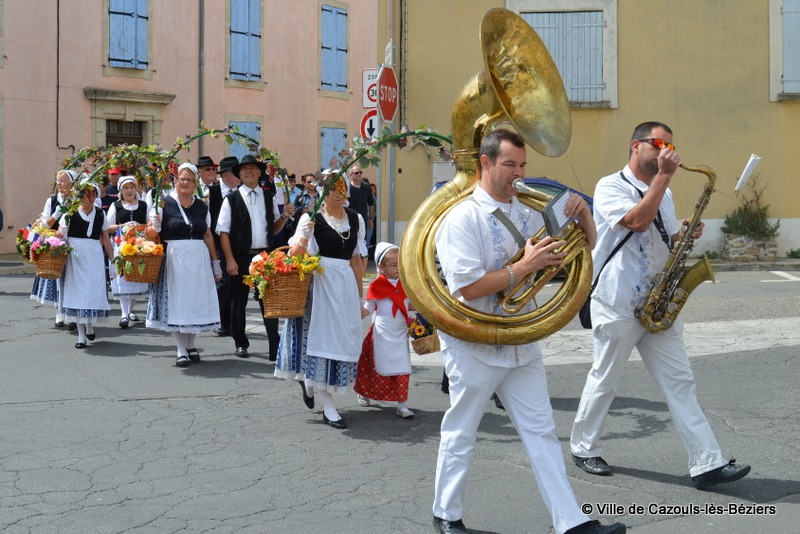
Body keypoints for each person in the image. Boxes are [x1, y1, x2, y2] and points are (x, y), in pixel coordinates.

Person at [432, 129, 624, 534]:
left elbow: (585, 246)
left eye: (522, 165)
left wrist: (584, 214)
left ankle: (570, 521)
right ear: (485, 163)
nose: (518, 174)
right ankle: (447, 515)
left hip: (520, 339)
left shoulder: (528, 210)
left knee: (541, 432)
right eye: (509, 165)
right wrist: (523, 268)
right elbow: (465, 287)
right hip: (475, 342)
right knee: (462, 429)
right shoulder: (462, 217)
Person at [570, 121, 751, 491]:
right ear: (635, 146)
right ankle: (583, 447)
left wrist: (684, 232)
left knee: (680, 382)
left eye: (670, 144)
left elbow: (663, 238)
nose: (666, 151)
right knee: (606, 378)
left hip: (659, 300)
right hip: (618, 300)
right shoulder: (610, 186)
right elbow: (636, 222)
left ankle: (707, 463)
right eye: (658, 143)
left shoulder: (662, 193)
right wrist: (664, 180)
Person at [274, 170, 369, 430]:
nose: (338, 196)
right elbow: (294, 256)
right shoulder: (312, 217)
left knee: (342, 339)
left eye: (341, 190)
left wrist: (360, 298)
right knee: (321, 340)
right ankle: (329, 407)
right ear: (323, 194)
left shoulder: (356, 219)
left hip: (344, 285)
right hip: (319, 284)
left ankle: (311, 382)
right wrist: (304, 235)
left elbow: (356, 260)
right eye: (332, 191)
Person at [215, 154, 295, 360]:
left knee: (268, 302)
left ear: (260, 172)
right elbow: (223, 231)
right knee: (238, 301)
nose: (248, 171)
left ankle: (274, 346)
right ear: (239, 174)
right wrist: (230, 260)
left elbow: (274, 228)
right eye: (244, 169)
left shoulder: (268, 197)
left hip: (264, 256)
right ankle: (240, 342)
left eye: (253, 168)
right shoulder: (231, 199)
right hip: (240, 256)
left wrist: (285, 217)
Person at [145, 162, 222, 367]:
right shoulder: (163, 203)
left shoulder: (201, 206)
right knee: (178, 302)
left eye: (189, 180)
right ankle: (180, 349)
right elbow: (149, 234)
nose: (185, 183)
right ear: (175, 181)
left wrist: (216, 262)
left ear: (195, 183)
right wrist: (156, 224)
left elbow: (207, 234)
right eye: (182, 179)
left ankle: (191, 344)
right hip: (174, 258)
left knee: (194, 301)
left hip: (198, 258)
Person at [354, 242, 415, 418]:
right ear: (381, 266)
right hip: (382, 331)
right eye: (394, 265)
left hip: (400, 331)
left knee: (403, 366)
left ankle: (402, 404)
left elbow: (406, 304)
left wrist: (419, 308)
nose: (398, 268)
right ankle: (364, 392)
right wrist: (363, 310)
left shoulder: (405, 284)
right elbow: (370, 306)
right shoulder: (376, 285)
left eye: (399, 264)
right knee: (373, 365)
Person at [57, 179, 115, 349]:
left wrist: (113, 260)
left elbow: (105, 238)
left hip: (94, 255)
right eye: (85, 194)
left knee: (92, 291)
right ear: (79, 195)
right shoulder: (70, 212)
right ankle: (81, 335)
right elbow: (59, 236)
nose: (89, 197)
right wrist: (63, 233)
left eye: (92, 194)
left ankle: (89, 325)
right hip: (75, 256)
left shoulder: (100, 214)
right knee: (78, 293)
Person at [31, 169, 76, 329]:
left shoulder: (78, 200)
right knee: (57, 279)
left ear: (72, 183)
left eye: (62, 180)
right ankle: (59, 313)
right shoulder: (52, 200)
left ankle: (71, 314)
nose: (59, 183)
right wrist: (56, 214)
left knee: (72, 279)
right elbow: (44, 225)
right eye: (58, 180)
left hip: (73, 243)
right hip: (55, 244)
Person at [106, 175, 149, 328]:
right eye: (126, 188)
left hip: (139, 246)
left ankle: (131, 309)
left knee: (135, 278)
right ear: (121, 190)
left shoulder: (143, 205)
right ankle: (124, 314)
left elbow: (150, 225)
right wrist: (122, 226)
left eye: (132, 187)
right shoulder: (116, 206)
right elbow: (107, 226)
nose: (129, 190)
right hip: (121, 246)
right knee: (123, 277)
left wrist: (139, 226)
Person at [207, 155, 240, 337]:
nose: (240, 177)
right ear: (227, 175)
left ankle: (234, 322)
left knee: (237, 285)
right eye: (237, 173)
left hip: (240, 244)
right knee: (223, 284)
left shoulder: (242, 192)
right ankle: (222, 321)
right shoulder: (212, 193)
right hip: (218, 243)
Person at [347, 164, 375, 274]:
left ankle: (363, 269)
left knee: (363, 243)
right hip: (350, 220)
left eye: (360, 172)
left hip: (363, 220)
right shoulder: (347, 187)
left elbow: (371, 203)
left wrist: (371, 218)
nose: (359, 174)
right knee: (351, 242)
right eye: (356, 173)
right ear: (351, 175)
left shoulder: (366, 186)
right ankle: (351, 264)